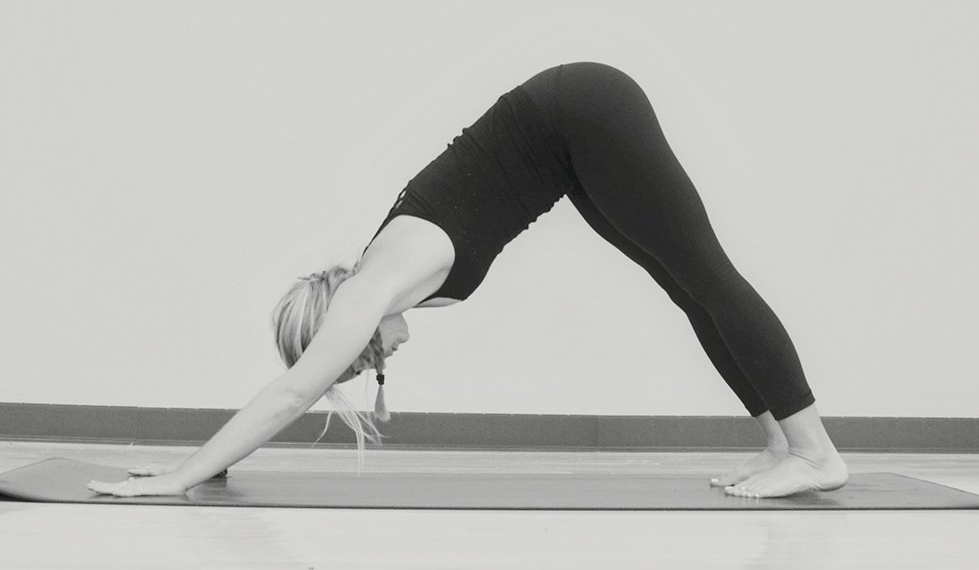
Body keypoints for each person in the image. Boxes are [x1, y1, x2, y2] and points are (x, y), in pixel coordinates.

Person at [88, 62, 848, 499]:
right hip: (569, 144)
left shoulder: (368, 288)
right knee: (687, 286)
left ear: (337, 327)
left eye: (362, 359)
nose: (378, 362)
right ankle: (781, 443)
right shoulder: (381, 275)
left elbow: (291, 391)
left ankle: (815, 452)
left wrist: (184, 473)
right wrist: (206, 469)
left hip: (582, 110)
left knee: (706, 272)